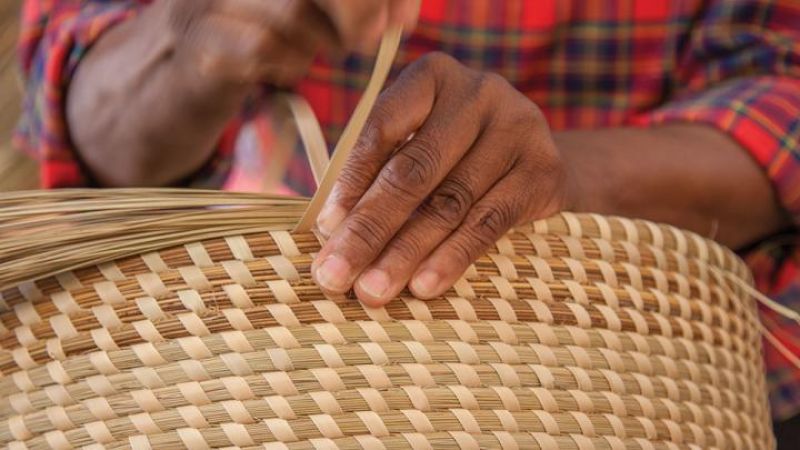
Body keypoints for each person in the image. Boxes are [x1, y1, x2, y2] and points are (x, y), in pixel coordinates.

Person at [15, 0, 800, 440]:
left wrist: (554, 170)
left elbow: (783, 85)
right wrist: (191, 41)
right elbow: (81, 115)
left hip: (643, 382)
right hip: (206, 384)